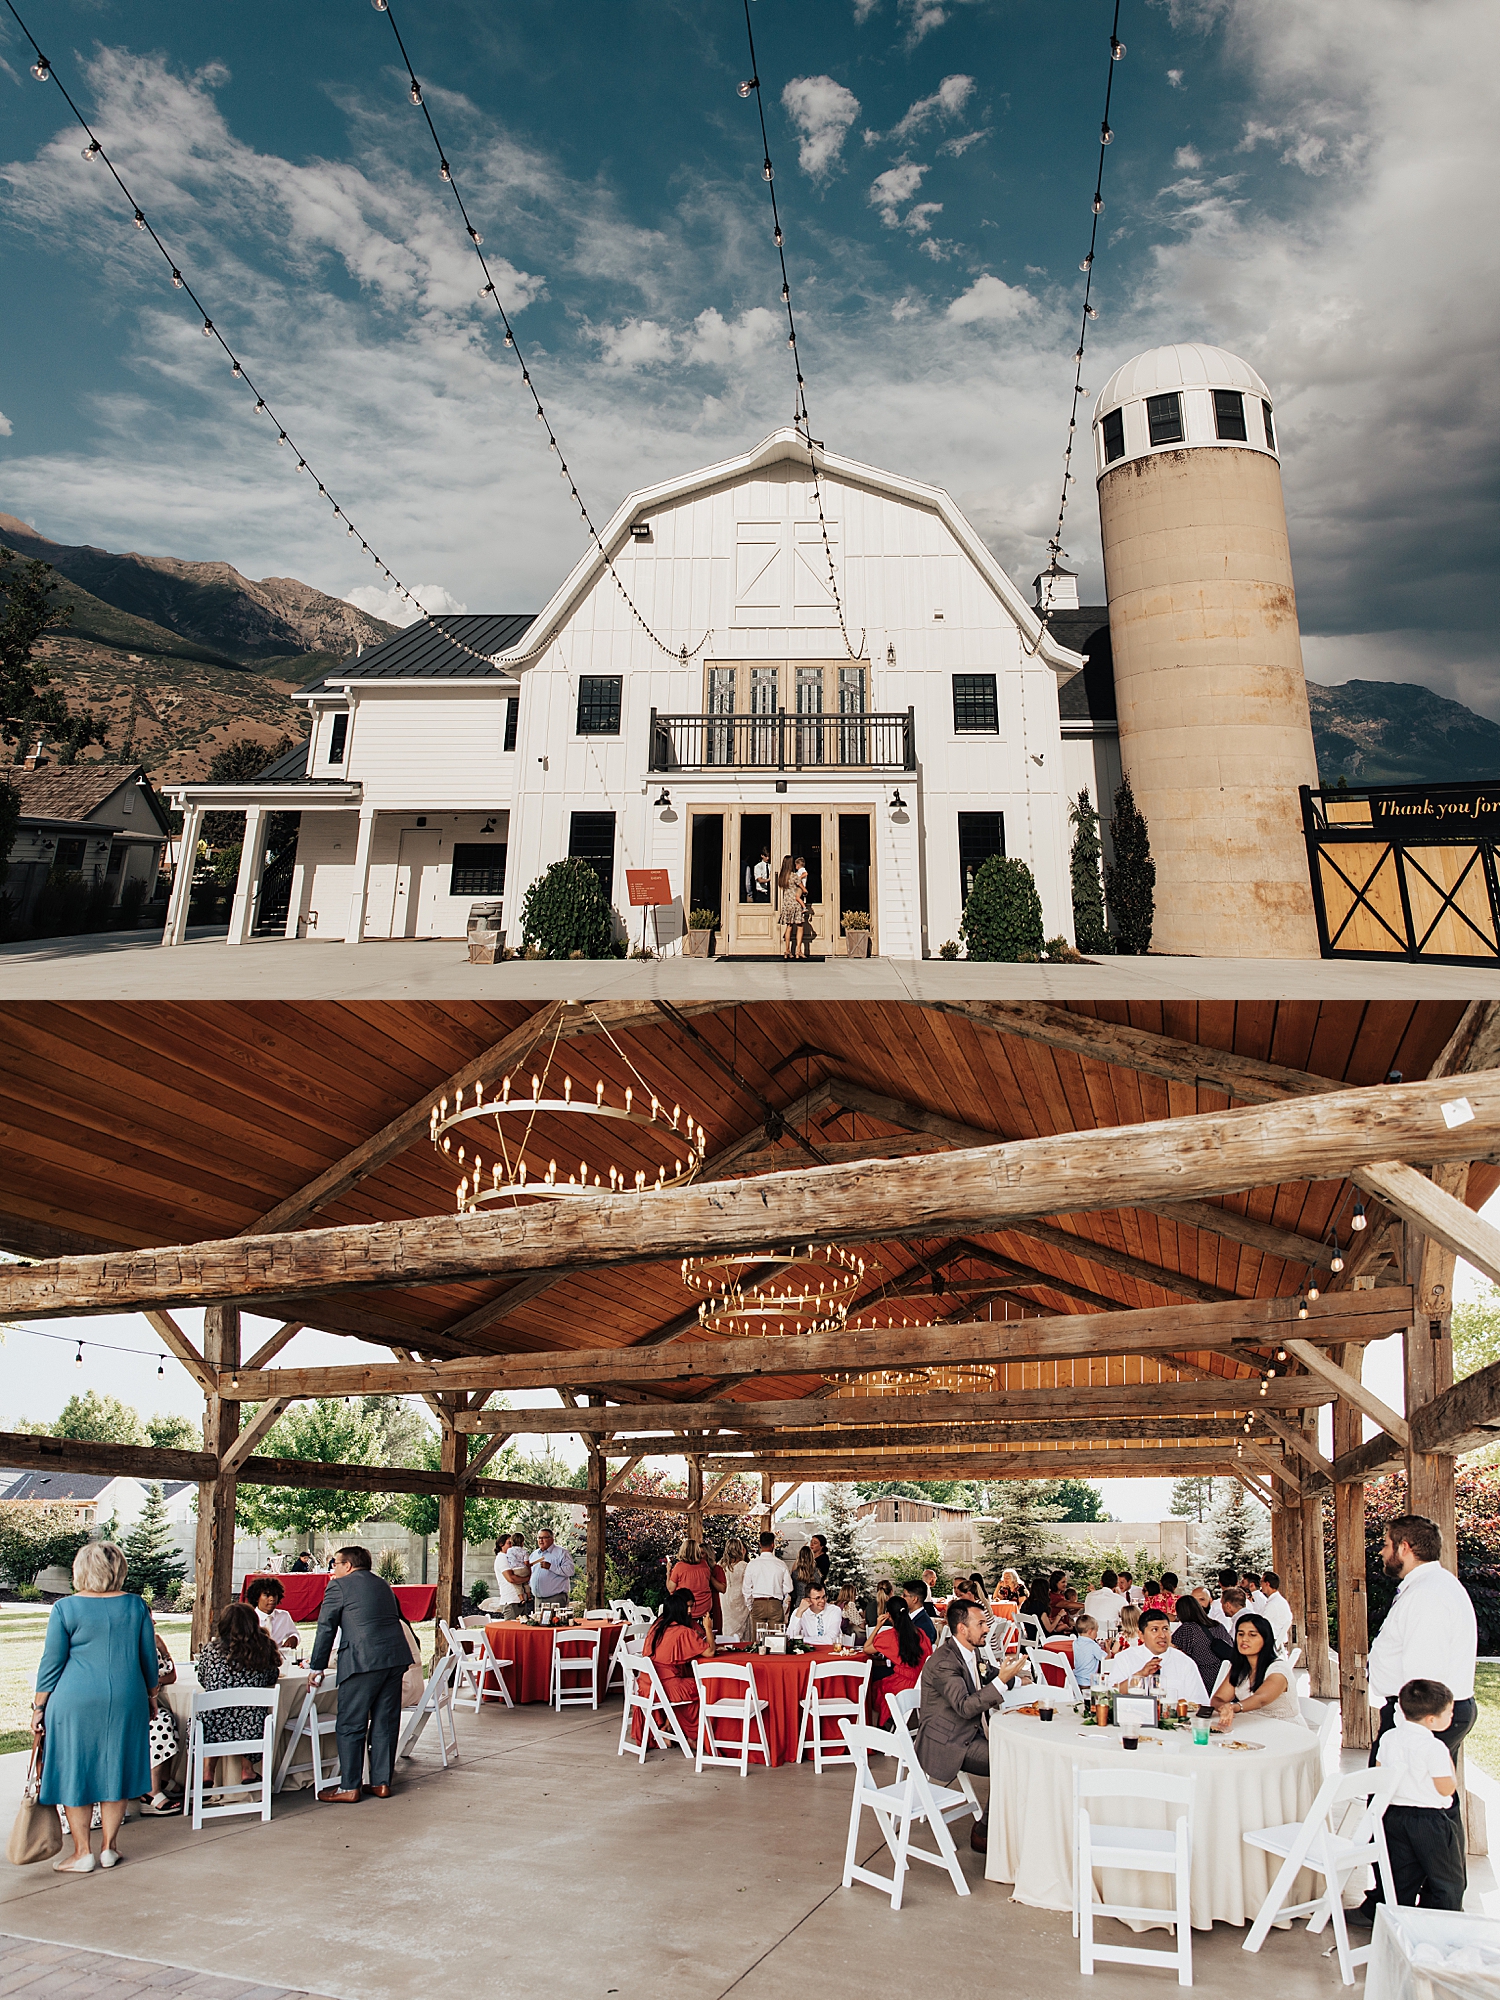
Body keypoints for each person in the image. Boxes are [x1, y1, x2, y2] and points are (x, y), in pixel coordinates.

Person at [1351, 1513, 1479, 1928]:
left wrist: (1409, 1726)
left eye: (1386, 1545)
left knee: (1415, 1811)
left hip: (1421, 1716)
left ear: (1405, 1547)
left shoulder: (1429, 1595)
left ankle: (1423, 1905)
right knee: (1408, 1808)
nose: (1383, 1552)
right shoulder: (1426, 1588)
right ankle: (1396, 1898)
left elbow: (1424, 1672)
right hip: (1418, 1714)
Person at [31, 1542, 159, 1873]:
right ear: (119, 1569)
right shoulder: (135, 1606)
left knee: (76, 1769)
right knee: (116, 1766)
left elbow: (52, 1661)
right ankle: (109, 1848)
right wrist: (151, 1697)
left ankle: (82, 1852)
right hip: (127, 1698)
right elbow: (148, 1658)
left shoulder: (65, 1609)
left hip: (75, 1699)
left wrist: (38, 1705)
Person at [914, 1600, 1026, 1853]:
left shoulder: (969, 1651)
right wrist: (1001, 1682)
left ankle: (1008, 1825)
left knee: (1017, 1755)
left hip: (969, 1733)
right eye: (982, 1624)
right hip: (948, 1741)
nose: (987, 1628)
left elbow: (986, 1675)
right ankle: (984, 1832)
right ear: (962, 1628)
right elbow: (965, 1707)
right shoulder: (944, 1662)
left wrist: (1018, 1680)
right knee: (1010, 1761)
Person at [308, 1545, 414, 1803]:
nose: (333, 1568)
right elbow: (401, 1619)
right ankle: (381, 1783)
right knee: (385, 1722)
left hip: (362, 1659)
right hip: (394, 1657)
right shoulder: (383, 1585)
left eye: (335, 1563)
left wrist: (316, 1665)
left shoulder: (339, 1586)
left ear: (348, 1565)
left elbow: (326, 1627)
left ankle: (349, 1786)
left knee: (350, 1723)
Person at [1375, 1679, 1466, 1911]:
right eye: (1449, 1712)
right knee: (1446, 1880)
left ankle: (1396, 1924)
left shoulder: (1389, 1738)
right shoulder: (1434, 1748)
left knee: (1401, 1879)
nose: (1452, 1717)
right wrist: (1448, 1764)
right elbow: (1446, 1789)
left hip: (1394, 1817)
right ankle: (1441, 1926)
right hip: (1430, 1822)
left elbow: (1379, 1775)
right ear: (1432, 1719)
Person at [196, 1602, 283, 1790]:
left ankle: (207, 1771)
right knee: (249, 1711)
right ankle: (247, 1769)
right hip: (250, 1727)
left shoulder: (211, 1650)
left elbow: (202, 1679)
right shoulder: (263, 1648)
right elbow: (271, 1676)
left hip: (211, 1727)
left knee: (213, 1713)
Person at [637, 1589, 714, 1745]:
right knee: (706, 1687)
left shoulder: (657, 1626)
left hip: (646, 1684)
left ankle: (668, 1726)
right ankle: (693, 1735)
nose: (690, 1611)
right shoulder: (682, 1632)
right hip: (665, 1688)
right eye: (687, 1608)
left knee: (689, 1681)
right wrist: (708, 1627)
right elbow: (710, 1652)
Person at [1210, 1613, 1304, 1727]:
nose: (1244, 1639)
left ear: (1265, 1640)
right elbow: (1218, 1698)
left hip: (1286, 1728)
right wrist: (1223, 1707)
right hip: (1252, 1726)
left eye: (1252, 1635)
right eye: (1240, 1634)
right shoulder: (1239, 1667)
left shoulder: (1278, 1669)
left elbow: (1260, 1699)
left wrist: (1234, 1707)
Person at [1104, 1607, 1210, 1707]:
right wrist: (1139, 1676)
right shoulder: (1125, 1658)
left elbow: (1199, 1702)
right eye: (1155, 1630)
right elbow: (1111, 1695)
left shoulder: (1185, 1662)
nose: (1162, 1635)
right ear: (1141, 1635)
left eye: (1165, 1629)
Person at [864, 1593, 931, 1726]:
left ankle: (878, 1729)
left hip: (902, 1684)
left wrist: (877, 1626)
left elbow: (866, 1648)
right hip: (922, 1683)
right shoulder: (921, 1633)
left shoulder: (890, 1636)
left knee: (873, 1689)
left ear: (888, 1615)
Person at [144, 1623, 183, 1814]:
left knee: (168, 1716)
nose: (153, 1625)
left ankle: (164, 1779)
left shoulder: (151, 1645)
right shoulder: (131, 1644)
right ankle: (151, 1792)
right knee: (160, 1722)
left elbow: (170, 1677)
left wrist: (163, 1649)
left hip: (143, 1703)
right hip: (127, 1709)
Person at [1171, 1592, 1235, 1693]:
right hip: (1225, 1678)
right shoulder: (1218, 1625)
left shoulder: (1188, 1628)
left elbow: (1168, 1649)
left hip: (1203, 1678)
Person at [742, 1531, 793, 1635]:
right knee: (776, 1640)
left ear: (760, 1544)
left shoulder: (752, 1564)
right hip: (775, 1603)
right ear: (773, 1544)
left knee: (758, 1639)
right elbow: (788, 1588)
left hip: (758, 1602)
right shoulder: (781, 1564)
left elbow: (746, 1589)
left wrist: (750, 1606)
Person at [667, 1536, 719, 1624]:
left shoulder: (679, 1566)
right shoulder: (704, 1564)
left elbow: (670, 1589)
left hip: (686, 1608)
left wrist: (668, 1572)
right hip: (705, 1608)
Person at [249, 1577, 300, 1659]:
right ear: (256, 1598)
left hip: (279, 1658)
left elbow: (294, 1633)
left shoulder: (284, 1616)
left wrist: (294, 1638)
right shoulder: (250, 1617)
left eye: (274, 1595)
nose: (272, 1599)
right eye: (267, 1595)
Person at [529, 1528, 575, 1609]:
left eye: (544, 1538)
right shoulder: (534, 1554)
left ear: (551, 1539)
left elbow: (570, 1571)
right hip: (538, 1600)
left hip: (555, 1599)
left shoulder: (562, 1553)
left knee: (557, 1621)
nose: (541, 1540)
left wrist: (551, 1567)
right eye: (539, 1538)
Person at [717, 1538, 750, 1642]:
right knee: (742, 1628)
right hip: (739, 1598)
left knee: (727, 1623)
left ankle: (728, 1642)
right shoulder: (744, 1566)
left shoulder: (720, 1566)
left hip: (725, 1598)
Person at [492, 1533, 531, 1617]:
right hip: (511, 1601)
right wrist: (527, 1578)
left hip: (520, 1600)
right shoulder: (502, 1557)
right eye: (509, 1543)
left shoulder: (512, 1557)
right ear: (501, 1544)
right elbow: (511, 1579)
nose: (512, 1546)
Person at [1258, 1570, 1294, 1650]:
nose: (1261, 1585)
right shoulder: (1279, 1600)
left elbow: (1262, 1623)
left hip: (1272, 1640)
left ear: (1267, 1583)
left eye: (1261, 1582)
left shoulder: (1274, 1603)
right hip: (1277, 1639)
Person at [777, 857, 804, 960]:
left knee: (789, 926)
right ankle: (798, 950)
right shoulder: (794, 876)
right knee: (800, 926)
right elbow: (802, 888)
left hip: (786, 903)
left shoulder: (783, 877)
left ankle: (787, 950)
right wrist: (805, 891)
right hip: (795, 902)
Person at [1083, 1570, 1127, 1635]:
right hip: (1108, 1637)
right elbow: (1129, 1616)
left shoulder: (1089, 1596)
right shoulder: (1119, 1599)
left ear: (1101, 1582)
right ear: (1116, 1584)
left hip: (1087, 1634)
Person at [1070, 1614, 1106, 1691]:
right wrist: (1108, 1648)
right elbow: (1105, 1658)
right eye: (1096, 1631)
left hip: (1077, 1679)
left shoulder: (1075, 1643)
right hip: (1089, 1682)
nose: (1097, 1633)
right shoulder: (1093, 1645)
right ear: (1090, 1632)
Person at [901, 1578, 937, 1646]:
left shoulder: (924, 1625)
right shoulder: (905, 1615)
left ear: (914, 1599)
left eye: (904, 1595)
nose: (901, 1597)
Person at [789, 1544, 819, 1611]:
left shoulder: (796, 1573)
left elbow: (793, 1592)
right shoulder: (816, 1573)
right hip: (813, 1603)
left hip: (800, 1603)